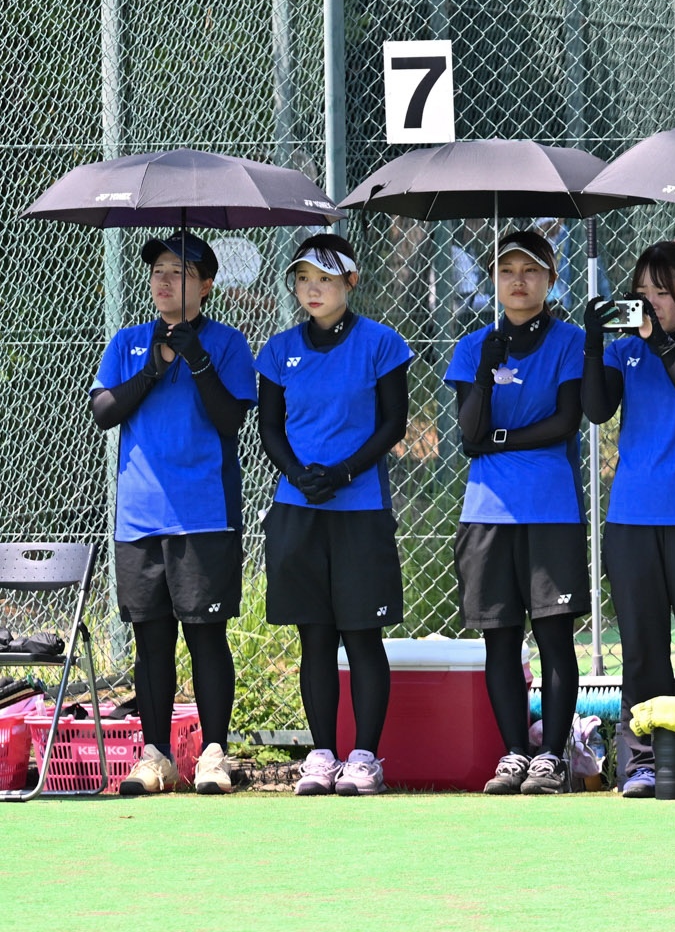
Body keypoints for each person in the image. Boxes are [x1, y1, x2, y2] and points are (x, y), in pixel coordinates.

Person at [89, 231, 259, 796]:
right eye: (158, 270)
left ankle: (214, 754)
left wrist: (197, 358)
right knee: (151, 641)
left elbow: (230, 420)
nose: (164, 280)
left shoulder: (228, 343)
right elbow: (104, 412)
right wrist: (154, 367)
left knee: (206, 636)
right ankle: (155, 755)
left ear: (206, 285)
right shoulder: (128, 341)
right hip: (138, 517)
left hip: (204, 513)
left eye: (179, 271)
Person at [256, 234, 411, 798]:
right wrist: (298, 475)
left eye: (324, 279)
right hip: (297, 509)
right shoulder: (278, 350)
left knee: (362, 635)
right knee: (315, 637)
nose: (312, 289)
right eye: (303, 279)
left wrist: (344, 472)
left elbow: (393, 423)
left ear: (351, 282)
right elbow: (270, 427)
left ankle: (364, 758)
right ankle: (321, 756)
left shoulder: (382, 343)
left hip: (360, 509)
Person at [582, 238, 675, 797]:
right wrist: (593, 344)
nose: (650, 304)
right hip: (632, 517)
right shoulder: (624, 351)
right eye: (640, 293)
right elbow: (597, 409)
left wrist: (663, 344)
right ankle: (643, 762)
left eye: (663, 293)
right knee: (642, 645)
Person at [444, 229, 590, 797]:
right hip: (486, 511)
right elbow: (469, 435)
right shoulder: (474, 346)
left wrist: (501, 439)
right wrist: (485, 370)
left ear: (550, 279)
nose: (518, 281)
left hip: (550, 509)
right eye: (506, 271)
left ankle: (550, 756)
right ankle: (514, 752)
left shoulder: (571, 341)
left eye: (530, 270)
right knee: (499, 638)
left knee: (554, 637)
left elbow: (565, 422)